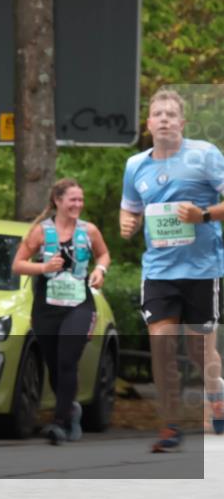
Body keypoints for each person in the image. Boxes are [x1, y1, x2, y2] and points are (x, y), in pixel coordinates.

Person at [120, 89, 224, 452]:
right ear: (148, 124)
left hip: (201, 268)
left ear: (182, 123)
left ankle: (218, 397)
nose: (163, 118)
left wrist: (204, 215)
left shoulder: (205, 156)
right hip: (159, 270)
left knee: (199, 351)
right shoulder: (135, 165)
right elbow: (130, 207)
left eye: (170, 114)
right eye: (157, 114)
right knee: (161, 345)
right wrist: (127, 224)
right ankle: (171, 426)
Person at [13, 178, 111, 444]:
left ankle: (58, 423)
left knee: (68, 360)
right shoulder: (40, 232)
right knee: (55, 365)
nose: (78, 205)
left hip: (79, 305)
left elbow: (103, 255)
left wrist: (99, 271)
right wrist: (43, 268)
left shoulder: (89, 231)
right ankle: (70, 411)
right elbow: (18, 265)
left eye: (80, 200)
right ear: (58, 201)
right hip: (47, 307)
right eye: (72, 200)